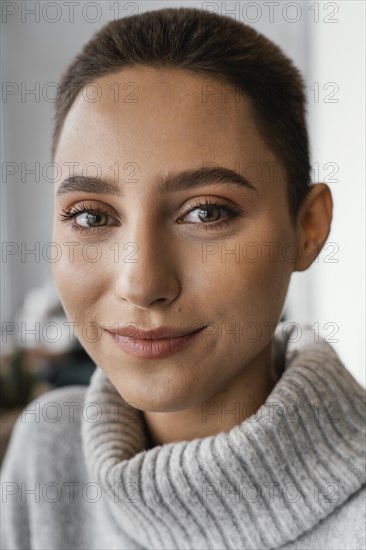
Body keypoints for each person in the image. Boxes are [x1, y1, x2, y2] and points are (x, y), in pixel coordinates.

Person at [1, 7, 365, 550]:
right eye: (92, 217)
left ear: (307, 228)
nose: (142, 282)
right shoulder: (49, 448)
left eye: (206, 213)